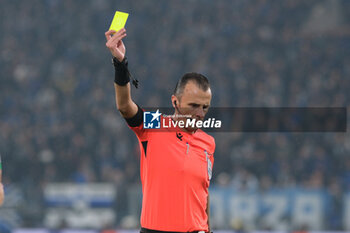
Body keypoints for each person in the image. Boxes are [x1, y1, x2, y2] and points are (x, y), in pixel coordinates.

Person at [105, 28, 215, 233]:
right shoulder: (157, 124)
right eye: (193, 105)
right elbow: (125, 106)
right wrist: (120, 64)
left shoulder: (208, 142)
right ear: (175, 101)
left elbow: (203, 194)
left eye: (205, 107)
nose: (200, 113)